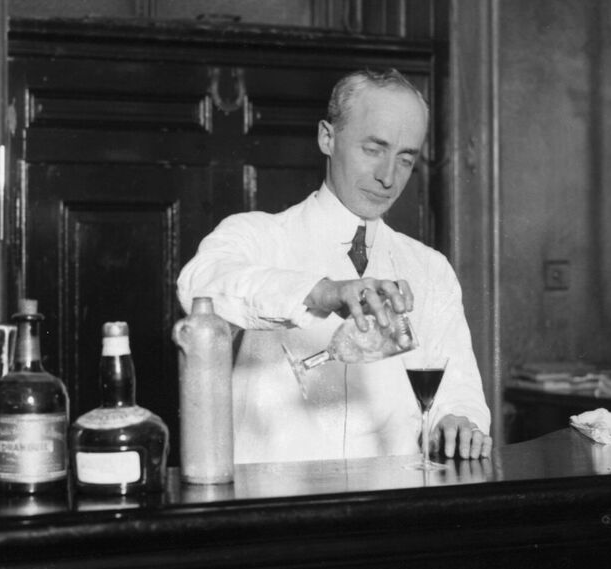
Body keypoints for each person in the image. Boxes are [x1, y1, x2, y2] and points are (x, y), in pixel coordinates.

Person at [177, 68, 492, 464]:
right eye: (373, 149)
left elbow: (458, 390)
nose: (387, 177)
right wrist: (323, 292)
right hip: (273, 506)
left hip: (394, 503)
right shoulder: (257, 236)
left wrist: (459, 420)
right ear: (328, 137)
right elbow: (198, 288)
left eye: (405, 158)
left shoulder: (430, 269)